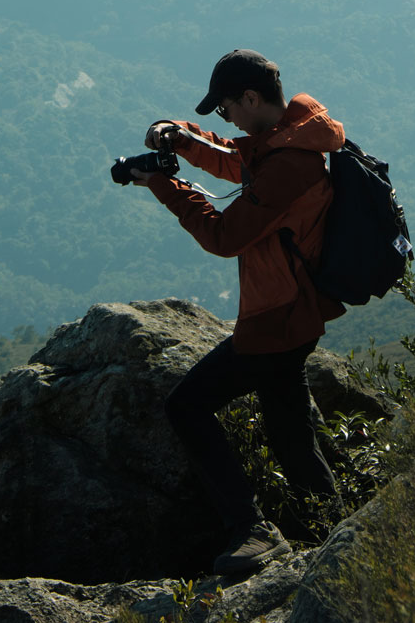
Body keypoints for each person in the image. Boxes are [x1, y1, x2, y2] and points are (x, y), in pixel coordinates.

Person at [129, 48, 348, 576]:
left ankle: (252, 530)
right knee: (289, 432)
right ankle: (336, 533)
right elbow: (232, 155)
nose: (225, 118)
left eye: (226, 108)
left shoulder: (289, 165)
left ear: (251, 98)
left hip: (277, 318)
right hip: (290, 313)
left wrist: (162, 183)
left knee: (187, 407)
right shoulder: (285, 140)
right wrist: (176, 134)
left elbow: (224, 237)